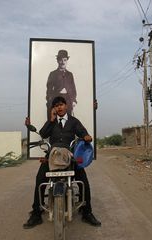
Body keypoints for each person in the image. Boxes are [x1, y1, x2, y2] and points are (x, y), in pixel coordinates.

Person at [23, 96, 101, 229]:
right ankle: (36, 213)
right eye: (56, 105)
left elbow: (83, 133)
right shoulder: (52, 121)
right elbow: (43, 134)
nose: (59, 107)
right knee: (39, 179)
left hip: (69, 155)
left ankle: (87, 211)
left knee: (83, 180)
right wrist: (51, 120)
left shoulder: (73, 121)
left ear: (66, 106)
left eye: (61, 104)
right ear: (54, 108)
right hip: (52, 156)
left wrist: (86, 137)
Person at [46, 50, 77, 119]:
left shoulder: (70, 74)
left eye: (65, 60)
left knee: (68, 122)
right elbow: (49, 90)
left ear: (67, 61)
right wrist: (51, 101)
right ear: (57, 61)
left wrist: (74, 100)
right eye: (61, 60)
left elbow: (73, 89)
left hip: (68, 101)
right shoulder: (53, 74)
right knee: (55, 122)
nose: (63, 62)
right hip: (57, 100)